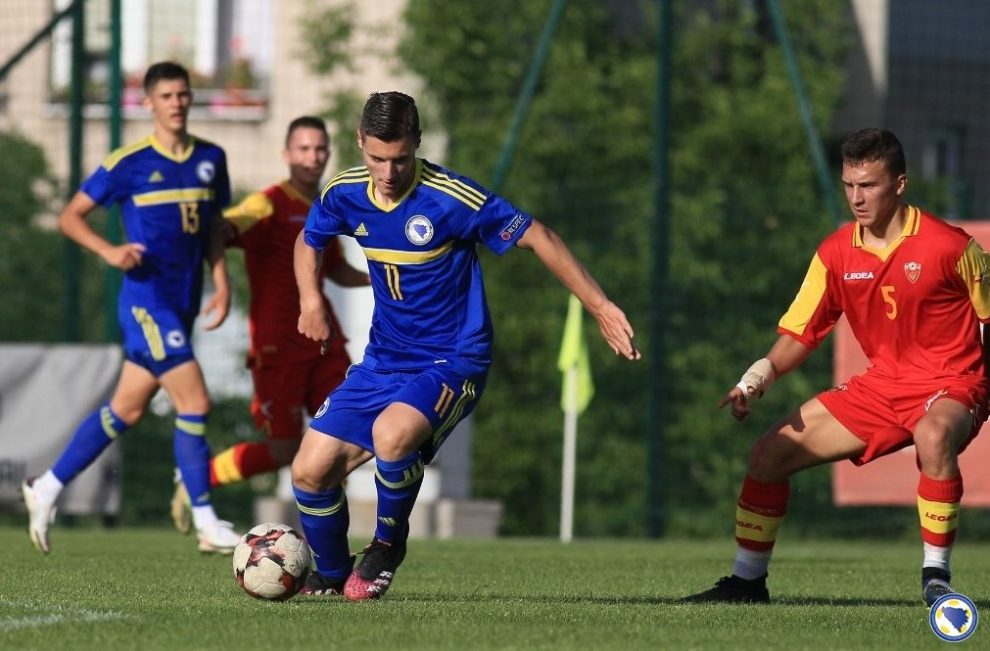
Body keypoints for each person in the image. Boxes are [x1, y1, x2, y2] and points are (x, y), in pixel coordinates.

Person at [291, 91, 640, 599]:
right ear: (360, 143)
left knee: (391, 435)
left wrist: (600, 306)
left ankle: (387, 544)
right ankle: (328, 573)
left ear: (417, 145)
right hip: (383, 362)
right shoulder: (344, 191)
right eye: (376, 159)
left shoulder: (451, 198)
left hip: (453, 360)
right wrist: (310, 299)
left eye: (401, 159)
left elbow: (538, 235)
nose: (388, 172)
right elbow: (310, 240)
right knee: (309, 470)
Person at [683, 128, 990, 607]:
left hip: (953, 382)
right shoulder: (835, 253)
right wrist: (754, 380)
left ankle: (936, 579)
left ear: (901, 183)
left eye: (868, 185)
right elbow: (799, 333)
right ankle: (746, 584)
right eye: (849, 185)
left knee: (932, 436)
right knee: (768, 455)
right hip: (882, 388)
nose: (856, 197)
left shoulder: (952, 247)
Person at [21, 61, 241, 555]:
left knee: (126, 408)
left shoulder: (212, 158)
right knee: (195, 402)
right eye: (166, 96)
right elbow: (70, 216)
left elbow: (213, 229)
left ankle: (47, 487)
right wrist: (108, 252)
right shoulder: (129, 162)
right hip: (147, 303)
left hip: (183, 303)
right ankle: (205, 519)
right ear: (148, 103)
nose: (177, 103)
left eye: (183, 94)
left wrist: (221, 284)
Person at [169, 116, 369, 533]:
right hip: (279, 345)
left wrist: (380, 277)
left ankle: (328, 540)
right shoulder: (268, 203)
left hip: (324, 341)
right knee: (282, 450)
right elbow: (219, 230)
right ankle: (196, 479)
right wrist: (221, 286)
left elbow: (333, 270)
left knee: (347, 430)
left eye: (320, 149)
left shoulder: (326, 206)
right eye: (304, 149)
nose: (313, 157)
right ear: (286, 155)